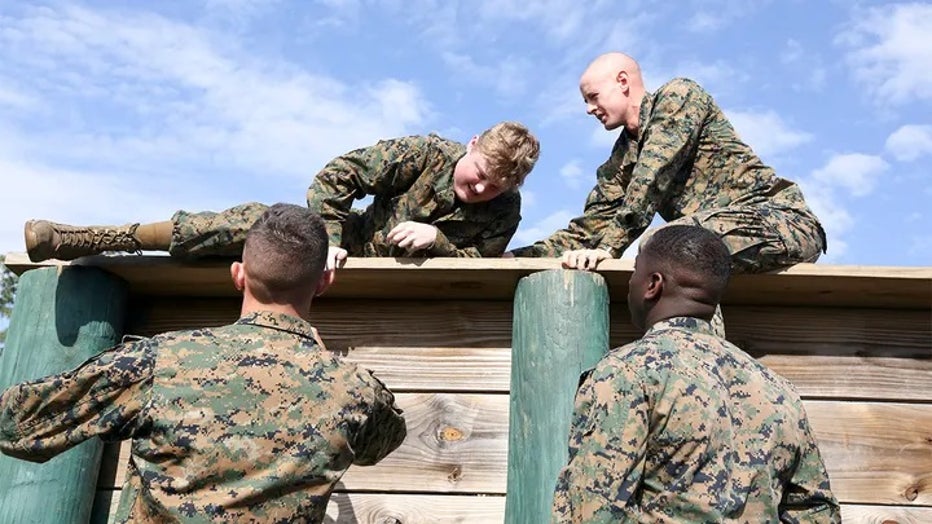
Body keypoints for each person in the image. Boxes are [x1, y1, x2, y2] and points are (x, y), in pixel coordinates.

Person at [1, 204, 407, 523]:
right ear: (323, 281)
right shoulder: (354, 391)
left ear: (237, 275)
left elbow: (16, 423)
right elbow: (383, 441)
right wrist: (321, 361)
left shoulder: (160, 361)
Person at [551, 225, 840, 523]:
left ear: (653, 284)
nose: (630, 282)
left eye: (634, 272)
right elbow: (816, 511)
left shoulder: (628, 371)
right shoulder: (779, 390)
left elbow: (593, 510)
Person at [24, 121, 540, 269]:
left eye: (495, 185)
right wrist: (333, 237)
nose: (480, 188)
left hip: (408, 285)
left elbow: (481, 260)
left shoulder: (504, 208)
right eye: (478, 173)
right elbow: (336, 178)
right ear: (471, 145)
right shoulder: (424, 153)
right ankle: (98, 236)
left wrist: (438, 240)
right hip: (342, 246)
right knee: (256, 222)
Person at [509, 52, 826, 273]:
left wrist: (608, 250)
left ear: (622, 81)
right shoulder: (621, 161)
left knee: (665, 245)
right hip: (711, 245)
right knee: (672, 251)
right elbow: (590, 228)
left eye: (592, 96)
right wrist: (513, 257)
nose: (589, 109)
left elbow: (653, 174)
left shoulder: (678, 97)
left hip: (779, 221)